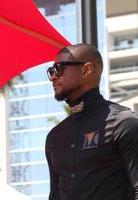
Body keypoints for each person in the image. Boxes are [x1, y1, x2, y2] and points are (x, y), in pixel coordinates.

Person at [45, 43, 138, 200]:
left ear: (86, 70)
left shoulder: (123, 123)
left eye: (59, 68)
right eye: (51, 71)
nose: (53, 77)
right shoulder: (54, 137)